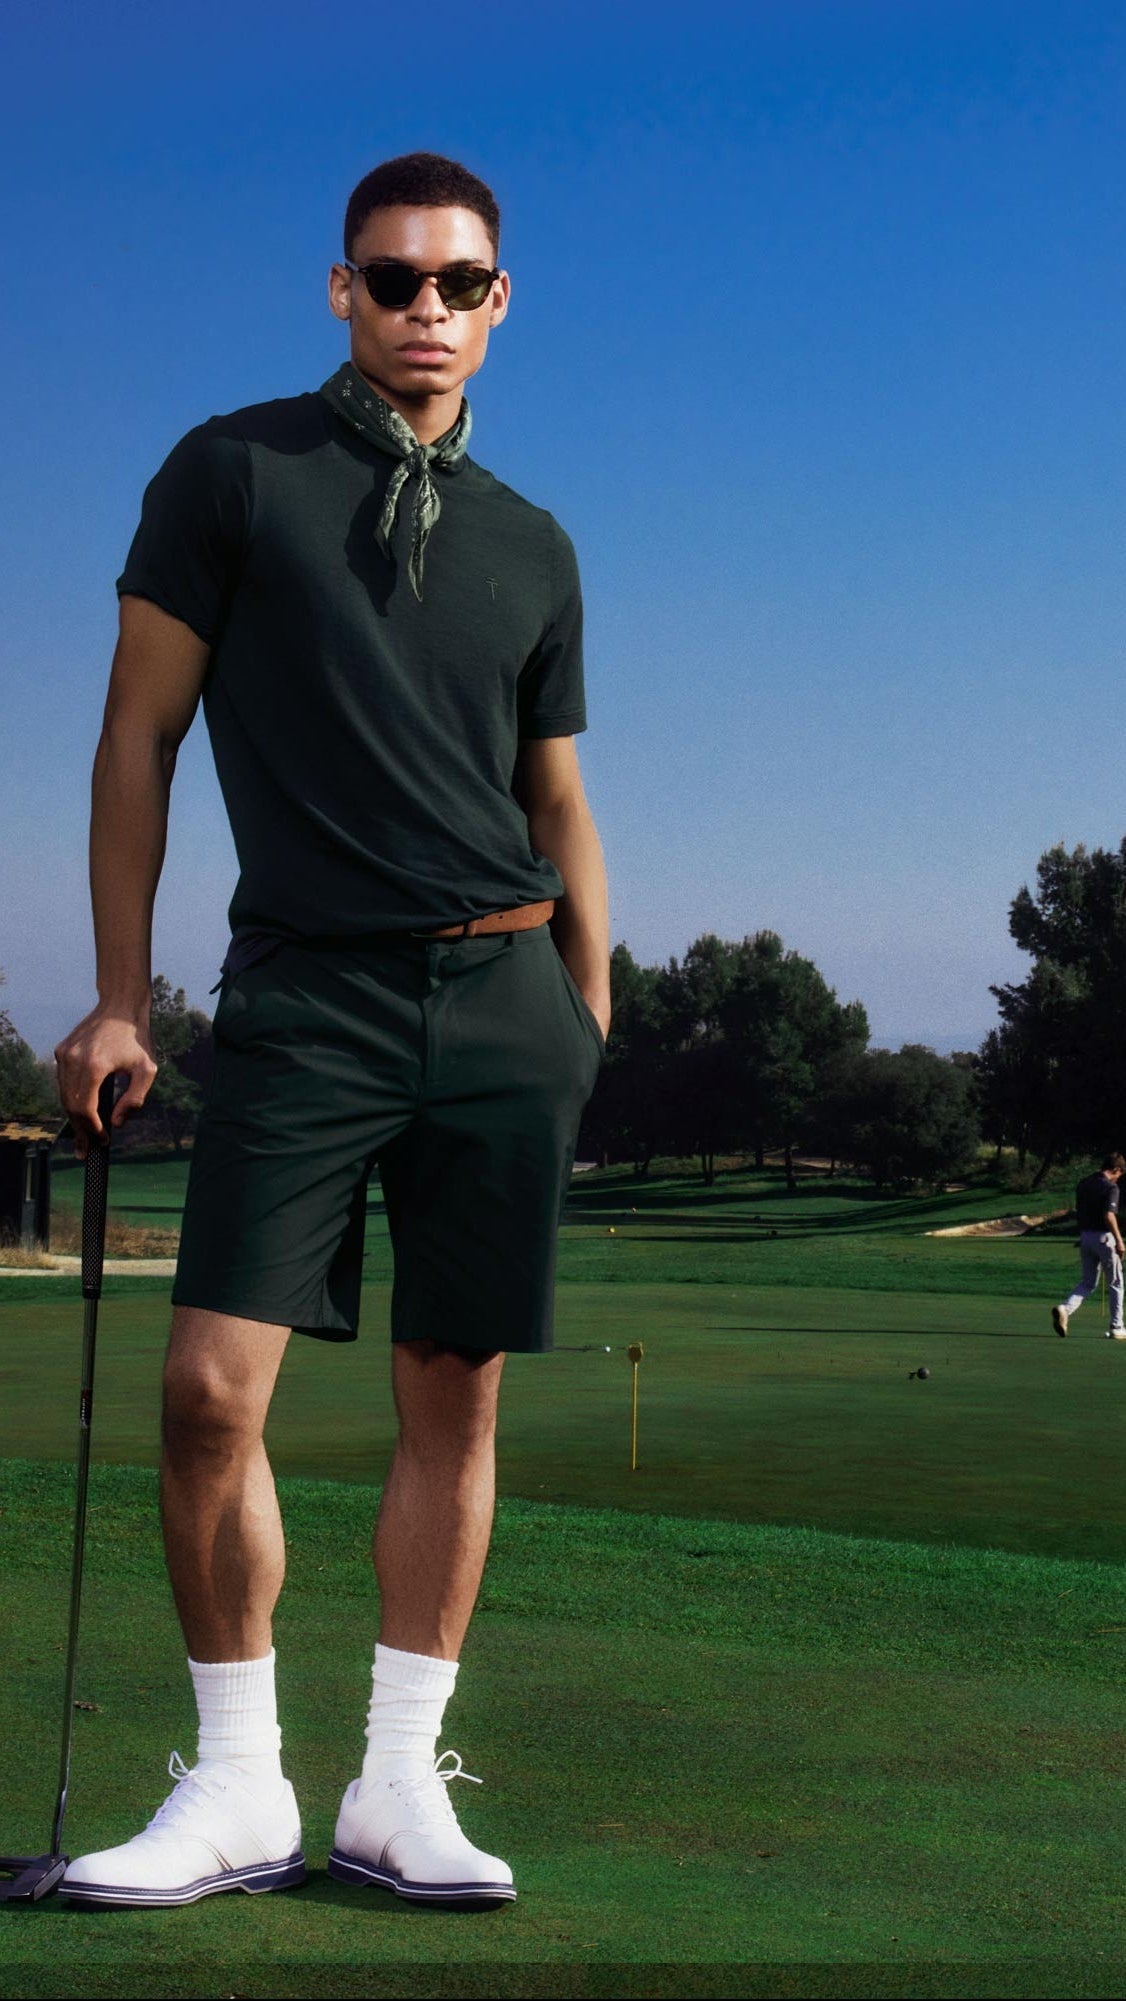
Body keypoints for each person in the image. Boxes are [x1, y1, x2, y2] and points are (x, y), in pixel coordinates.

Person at [52, 151, 610, 1910]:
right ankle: (235, 1787)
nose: (423, 313)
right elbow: (136, 738)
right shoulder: (228, 475)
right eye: (391, 281)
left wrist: (586, 1005)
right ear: (338, 290)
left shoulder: (535, 543)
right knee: (211, 1391)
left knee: (456, 1396)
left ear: (500, 303)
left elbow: (558, 796)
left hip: (504, 1001)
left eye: (458, 285)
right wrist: (123, 994)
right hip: (309, 996)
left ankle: (392, 1788)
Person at [1052, 1153, 1126, 1340]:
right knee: (1116, 1282)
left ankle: (1065, 1309)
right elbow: (1109, 1216)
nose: (1119, 1178)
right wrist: (1119, 1240)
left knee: (1088, 1282)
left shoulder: (1084, 1183)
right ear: (1116, 1170)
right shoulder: (1111, 1187)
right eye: (1119, 1175)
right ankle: (1117, 1326)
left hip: (1085, 1237)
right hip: (1104, 1238)